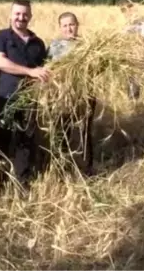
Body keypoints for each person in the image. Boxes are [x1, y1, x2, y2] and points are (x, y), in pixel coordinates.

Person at [0, 0, 50, 192]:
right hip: (6, 98)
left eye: (25, 14)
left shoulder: (37, 43)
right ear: (10, 15)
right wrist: (30, 72)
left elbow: (45, 69)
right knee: (3, 140)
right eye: (17, 14)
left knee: (26, 141)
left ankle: (23, 183)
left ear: (30, 16)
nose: (21, 18)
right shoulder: (0, 37)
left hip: (29, 99)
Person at [47, 12, 96, 176]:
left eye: (71, 24)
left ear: (77, 25)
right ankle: (61, 168)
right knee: (61, 131)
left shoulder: (88, 45)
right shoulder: (54, 47)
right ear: (60, 28)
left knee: (84, 131)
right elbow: (47, 70)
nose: (69, 28)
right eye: (65, 25)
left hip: (85, 96)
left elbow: (97, 68)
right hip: (62, 97)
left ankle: (86, 169)